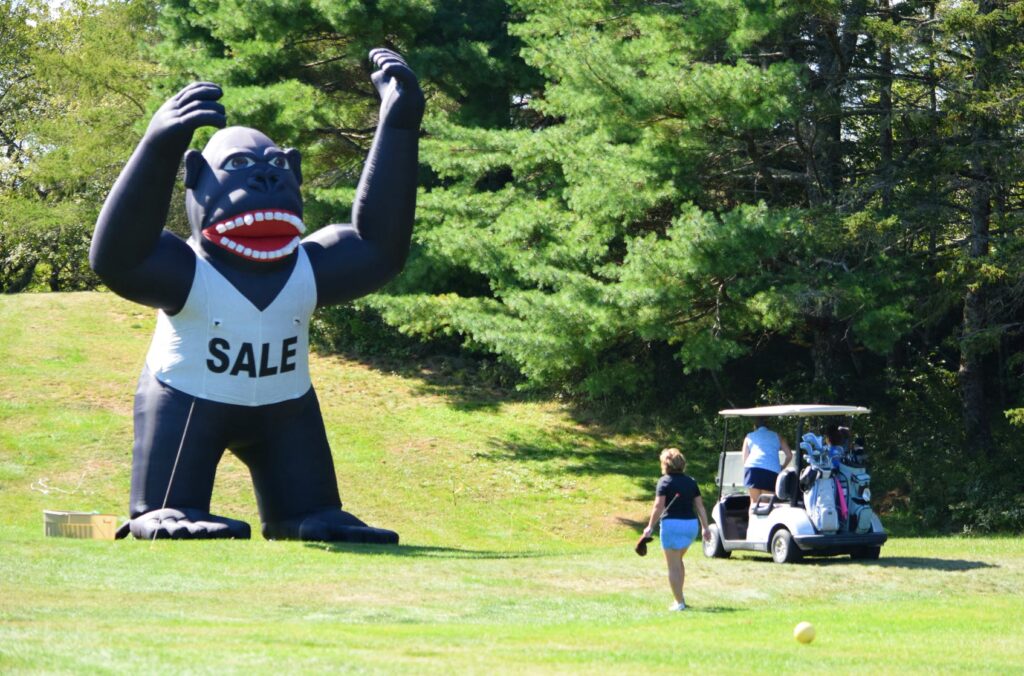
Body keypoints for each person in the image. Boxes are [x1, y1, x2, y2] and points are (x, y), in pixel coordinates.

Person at [641, 448, 711, 611]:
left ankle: (679, 602)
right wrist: (705, 528)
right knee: (678, 561)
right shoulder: (691, 481)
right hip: (690, 526)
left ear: (665, 464)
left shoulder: (664, 481)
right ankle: (680, 598)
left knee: (673, 565)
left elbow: (658, 506)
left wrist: (650, 526)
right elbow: (700, 506)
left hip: (672, 525)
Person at [742, 416, 793, 510]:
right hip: (771, 470)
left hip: (752, 469)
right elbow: (789, 455)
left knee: (753, 504)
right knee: (766, 505)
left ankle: (752, 524)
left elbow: (745, 459)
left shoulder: (749, 436)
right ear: (768, 425)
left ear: (755, 426)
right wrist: (782, 467)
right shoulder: (777, 436)